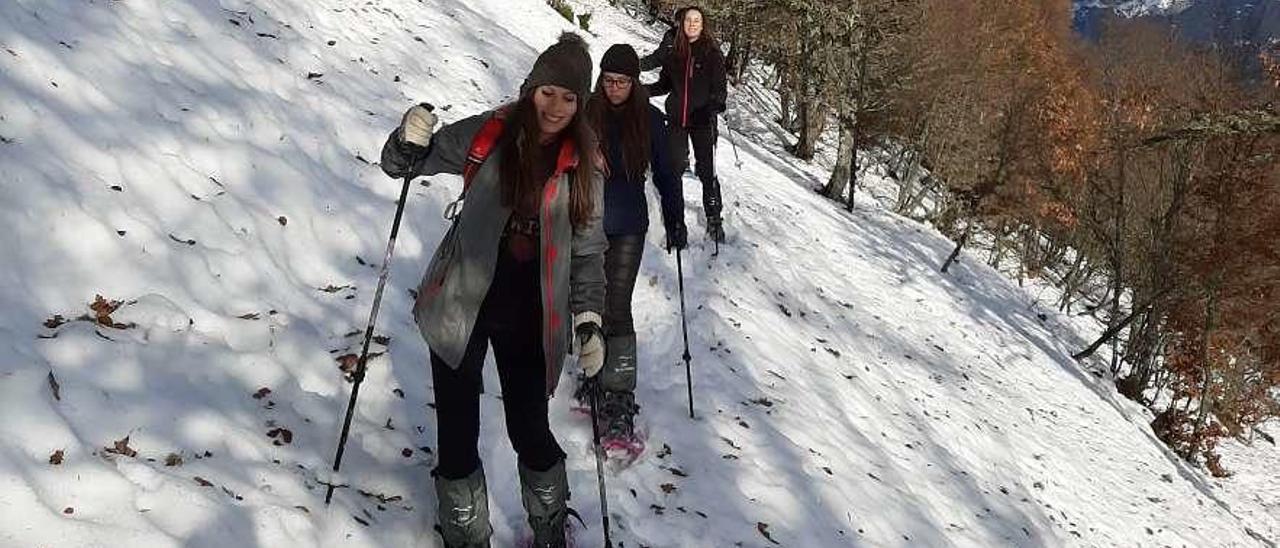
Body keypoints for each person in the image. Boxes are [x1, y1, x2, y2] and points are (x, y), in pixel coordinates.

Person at [380, 32, 606, 548]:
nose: (554, 107)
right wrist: (407, 138)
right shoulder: (491, 132)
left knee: (529, 430)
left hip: (532, 312)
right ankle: (467, 537)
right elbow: (405, 164)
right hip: (461, 302)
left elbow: (590, 254)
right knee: (457, 434)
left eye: (568, 98)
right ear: (531, 88)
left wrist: (589, 319)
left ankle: (550, 529)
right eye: (548, 92)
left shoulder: (585, 168)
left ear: (581, 105)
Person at [575, 44, 686, 443]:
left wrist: (675, 217)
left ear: (634, 82)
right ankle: (592, 372)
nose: (614, 88)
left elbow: (667, 173)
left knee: (616, 306)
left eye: (621, 82)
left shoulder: (650, 119)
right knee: (589, 304)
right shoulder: (587, 111)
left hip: (628, 225)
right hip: (585, 221)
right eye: (608, 81)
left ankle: (619, 395)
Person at [644, 6, 728, 243]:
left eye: (697, 20)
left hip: (703, 123)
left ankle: (714, 218)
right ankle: (676, 220)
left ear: (703, 25)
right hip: (676, 121)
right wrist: (642, 91)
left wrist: (711, 108)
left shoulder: (712, 53)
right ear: (681, 23)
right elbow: (664, 85)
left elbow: (720, 92)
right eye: (688, 20)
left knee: (706, 171)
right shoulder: (675, 53)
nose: (692, 24)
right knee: (673, 168)